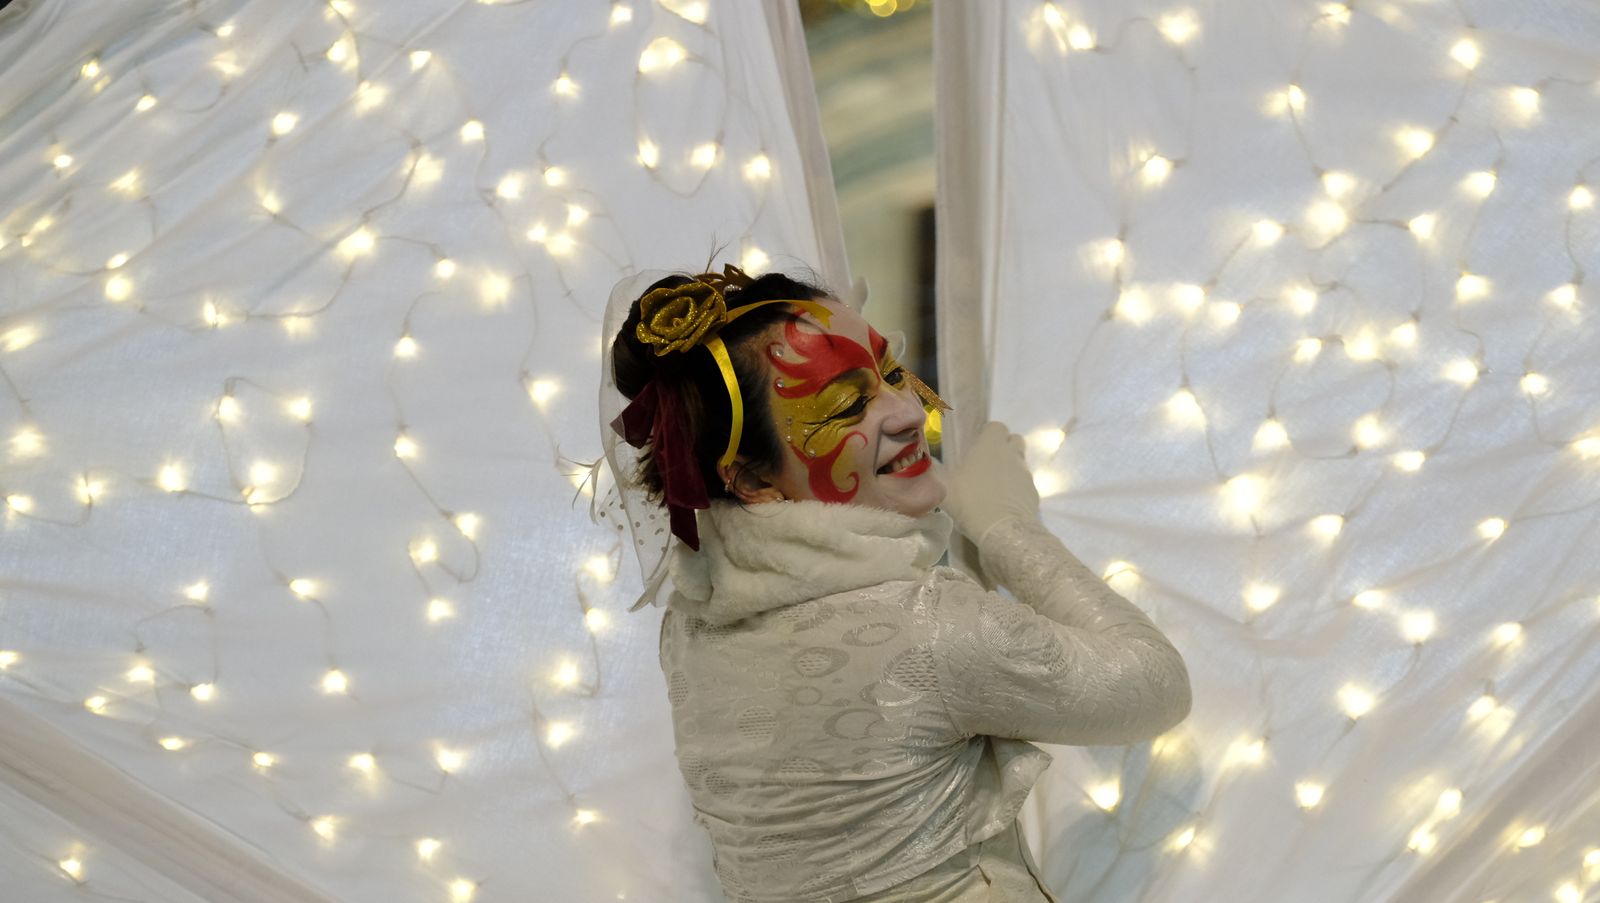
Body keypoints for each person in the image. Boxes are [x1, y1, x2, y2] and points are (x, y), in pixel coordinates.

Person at [601, 265, 1192, 902]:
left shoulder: (686, 630)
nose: (912, 409)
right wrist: (1008, 529)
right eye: (846, 404)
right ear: (750, 480)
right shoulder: (925, 625)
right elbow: (1156, 684)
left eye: (889, 372)